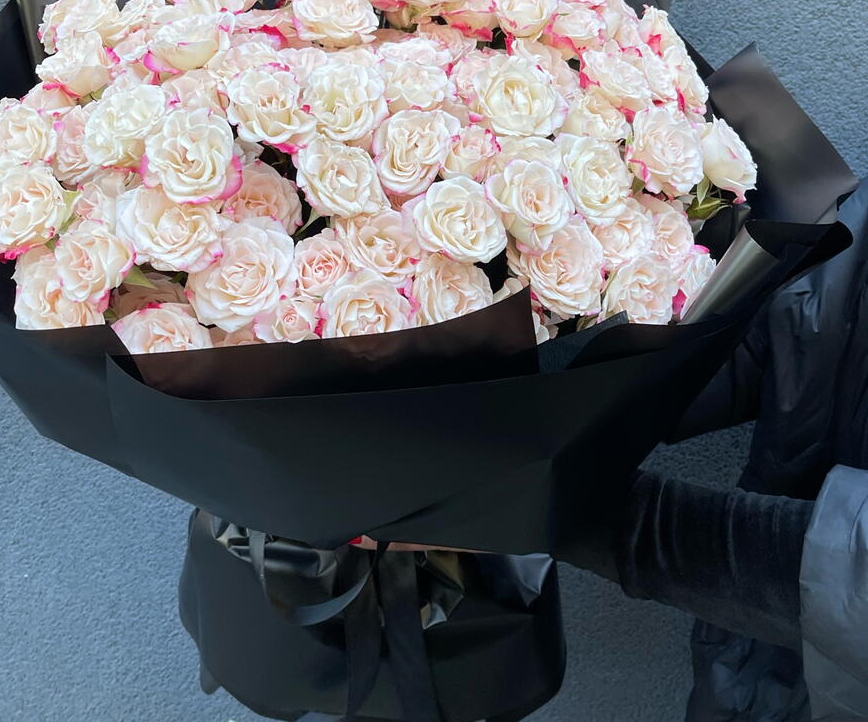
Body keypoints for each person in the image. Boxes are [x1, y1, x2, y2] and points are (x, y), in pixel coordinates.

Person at [358, 180, 868, 722]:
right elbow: (798, 341)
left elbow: (851, 580)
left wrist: (556, 509)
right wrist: (554, 379)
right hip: (760, 674)